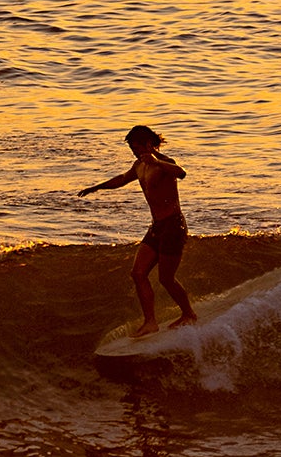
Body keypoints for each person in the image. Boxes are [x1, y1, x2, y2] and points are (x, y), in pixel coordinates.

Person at [78, 124, 198, 336]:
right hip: (157, 227)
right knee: (138, 272)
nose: (135, 152)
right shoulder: (139, 165)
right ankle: (150, 321)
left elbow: (182, 173)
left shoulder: (164, 163)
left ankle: (189, 314)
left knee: (166, 279)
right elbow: (122, 179)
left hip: (173, 226)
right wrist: (96, 187)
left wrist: (157, 161)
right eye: (132, 149)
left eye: (137, 147)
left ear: (149, 144)